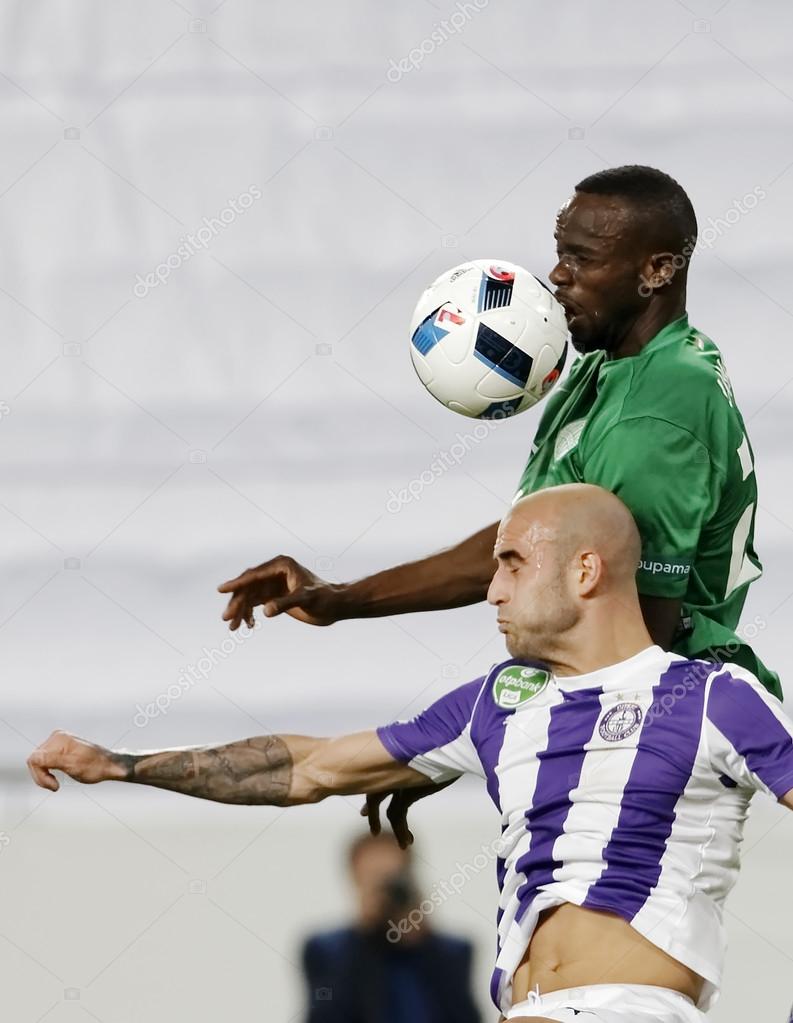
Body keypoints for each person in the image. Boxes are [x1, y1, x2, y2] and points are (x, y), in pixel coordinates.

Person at [28, 484, 793, 1022]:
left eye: (511, 563)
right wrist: (121, 763)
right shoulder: (501, 699)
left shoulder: (707, 695)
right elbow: (313, 766)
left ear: (585, 570)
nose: (490, 590)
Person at [217, 165, 777, 701]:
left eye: (582, 259)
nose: (559, 276)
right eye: (561, 254)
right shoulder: (615, 363)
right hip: (621, 706)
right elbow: (530, 547)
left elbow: (634, 643)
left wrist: (483, 736)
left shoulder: (656, 406)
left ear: (656, 270)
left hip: (657, 726)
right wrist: (340, 598)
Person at [301, 832, 480, 1023]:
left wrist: (421, 939)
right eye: (374, 877)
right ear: (355, 878)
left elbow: (464, 1016)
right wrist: (366, 935)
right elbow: (324, 1015)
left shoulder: (452, 951)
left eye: (392, 878)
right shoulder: (326, 950)